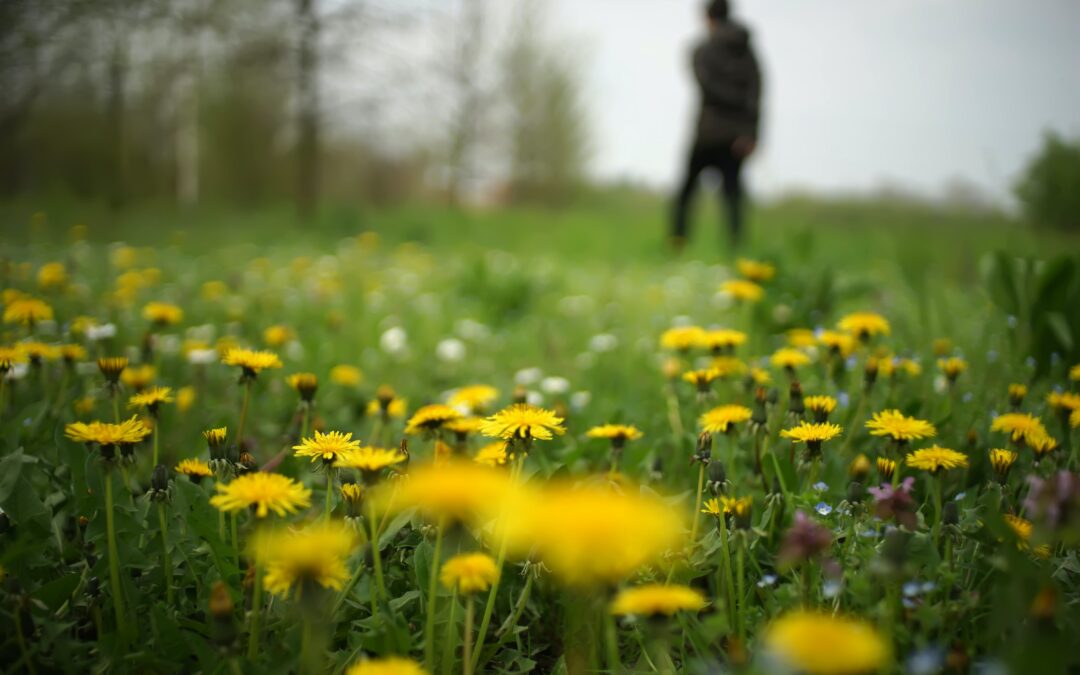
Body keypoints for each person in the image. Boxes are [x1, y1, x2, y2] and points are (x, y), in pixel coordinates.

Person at [672, 0, 762, 252]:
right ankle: (736, 247)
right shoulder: (748, 53)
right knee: (732, 194)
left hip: (708, 131)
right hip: (737, 135)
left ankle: (677, 243)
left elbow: (706, 87)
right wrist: (750, 132)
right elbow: (757, 91)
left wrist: (727, 104)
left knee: (687, 192)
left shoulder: (701, 50)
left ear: (707, 18)